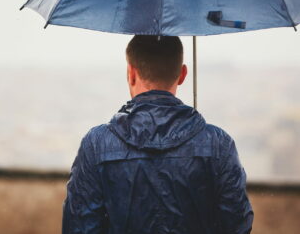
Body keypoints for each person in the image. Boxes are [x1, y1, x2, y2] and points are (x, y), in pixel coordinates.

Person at [62, 35, 254, 234]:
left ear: (131, 73)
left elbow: (79, 228)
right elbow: (237, 225)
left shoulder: (97, 144)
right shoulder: (218, 144)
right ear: (182, 74)